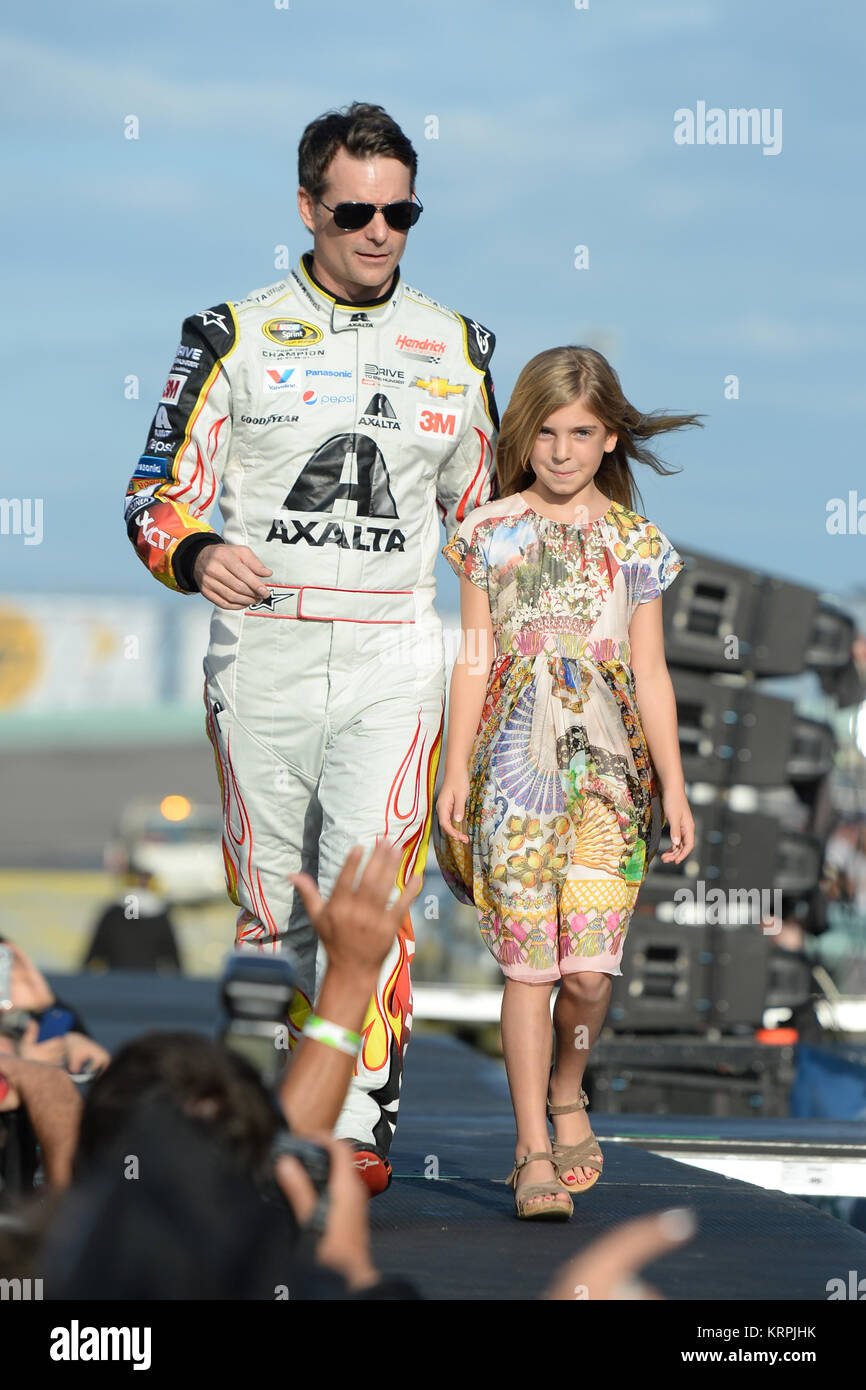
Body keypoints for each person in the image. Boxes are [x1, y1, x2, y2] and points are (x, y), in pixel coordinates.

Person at [123, 102, 499, 1192]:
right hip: (263, 656)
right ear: (308, 208)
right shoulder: (228, 333)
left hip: (393, 659)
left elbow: (484, 530)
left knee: (365, 894)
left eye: (400, 211)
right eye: (355, 211)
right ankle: (269, 1104)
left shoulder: (458, 346)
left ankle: (354, 1123)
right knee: (274, 903)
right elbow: (154, 496)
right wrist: (194, 556)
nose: (379, 231)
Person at [433, 346, 698, 1219]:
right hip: (510, 769)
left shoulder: (638, 544)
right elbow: (473, 659)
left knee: (589, 975)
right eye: (544, 431)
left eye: (580, 432)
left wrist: (679, 786)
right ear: (523, 435)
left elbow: (651, 672)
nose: (559, 450)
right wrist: (451, 768)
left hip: (613, 777)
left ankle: (568, 1087)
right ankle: (531, 1153)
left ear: (610, 438)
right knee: (531, 971)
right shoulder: (485, 532)